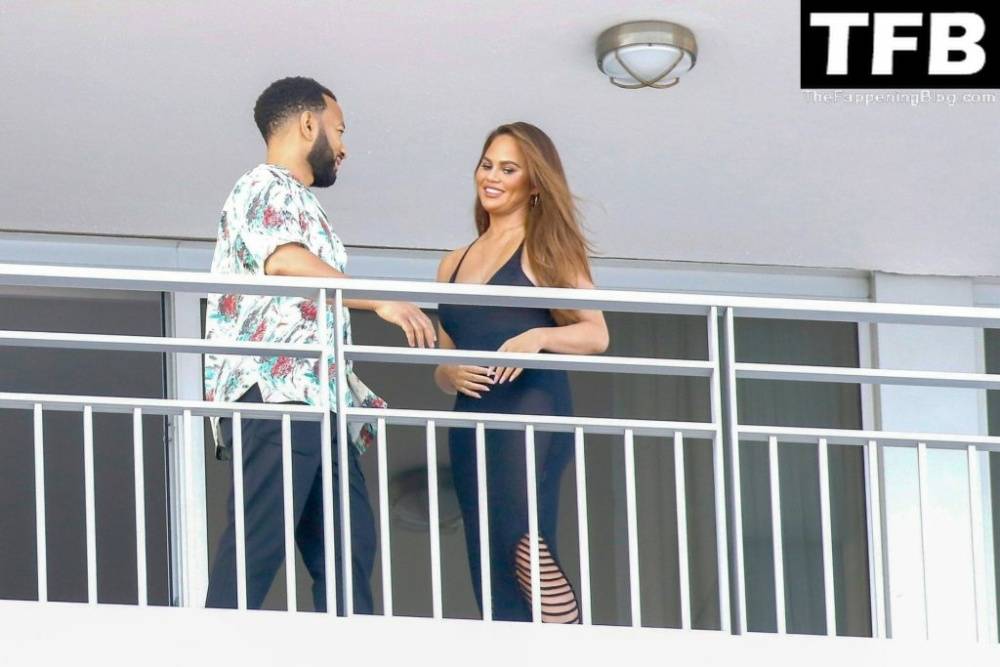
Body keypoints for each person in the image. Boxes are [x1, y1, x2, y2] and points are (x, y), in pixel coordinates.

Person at [203, 76, 436, 612]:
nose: (345, 146)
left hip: (318, 398)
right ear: (309, 124)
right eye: (339, 129)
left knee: (349, 546)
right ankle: (213, 639)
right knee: (262, 534)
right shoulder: (263, 186)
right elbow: (284, 260)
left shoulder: (297, 200)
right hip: (278, 391)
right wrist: (380, 300)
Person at [434, 122, 609, 623]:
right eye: (487, 164)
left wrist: (540, 337)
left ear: (534, 183)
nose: (492, 176)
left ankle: (566, 642)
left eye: (508, 169)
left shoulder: (545, 247)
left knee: (522, 540)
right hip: (471, 418)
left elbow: (597, 334)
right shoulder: (452, 263)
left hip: (530, 406)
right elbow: (445, 361)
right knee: (485, 552)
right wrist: (449, 372)